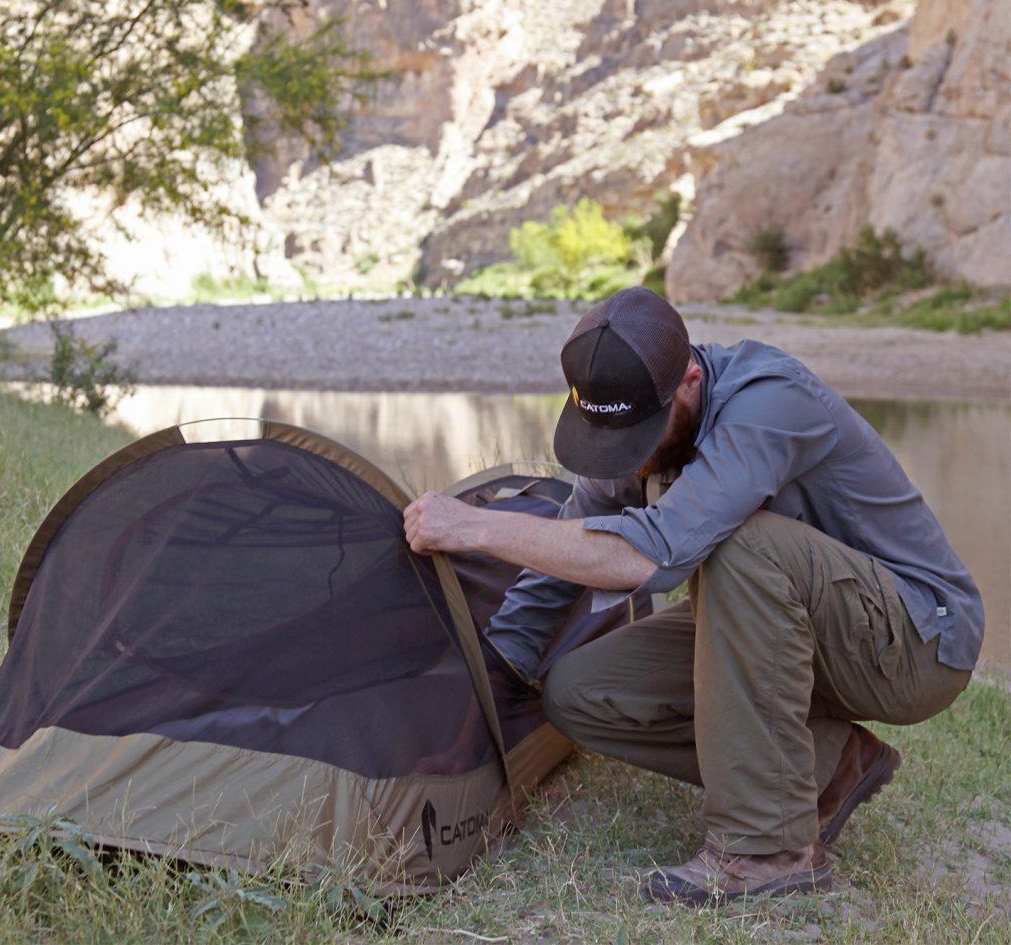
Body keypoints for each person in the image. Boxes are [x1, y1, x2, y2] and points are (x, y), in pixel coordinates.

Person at [403, 287, 983, 907]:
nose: (633, 457)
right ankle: (827, 767)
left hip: (914, 646)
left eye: (643, 435)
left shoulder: (769, 403)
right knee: (580, 694)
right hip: (795, 639)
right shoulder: (629, 427)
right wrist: (483, 692)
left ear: (689, 378)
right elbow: (553, 578)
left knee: (742, 544)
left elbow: (655, 551)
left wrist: (478, 527)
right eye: (614, 438)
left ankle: (769, 849)